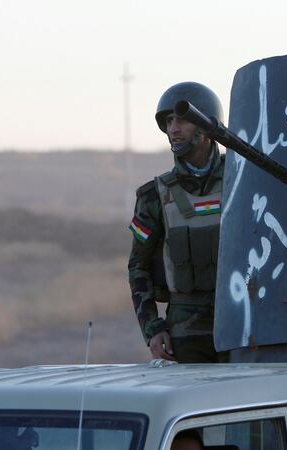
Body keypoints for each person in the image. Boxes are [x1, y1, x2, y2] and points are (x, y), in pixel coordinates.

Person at [128, 81, 228, 363]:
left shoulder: (244, 181)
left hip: (242, 323)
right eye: (169, 121)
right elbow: (139, 266)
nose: (173, 129)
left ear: (207, 127)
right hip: (186, 333)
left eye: (181, 119)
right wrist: (152, 328)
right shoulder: (154, 196)